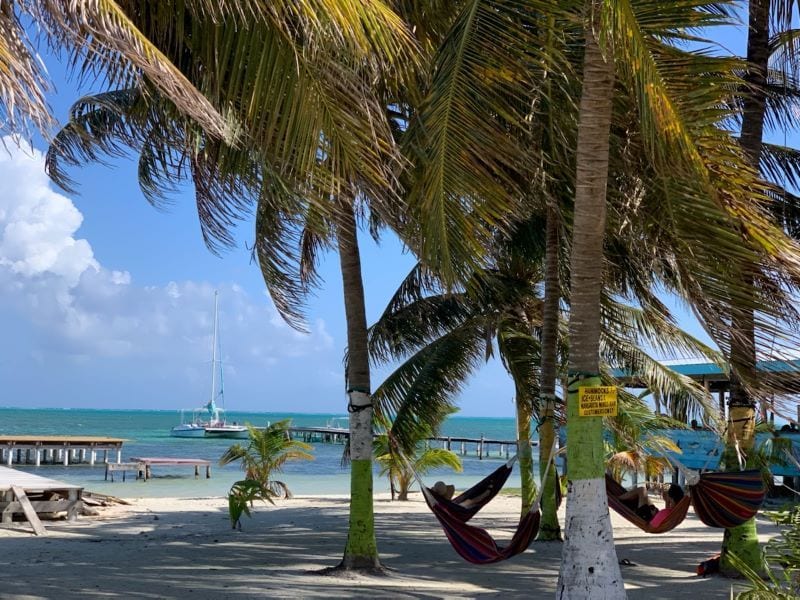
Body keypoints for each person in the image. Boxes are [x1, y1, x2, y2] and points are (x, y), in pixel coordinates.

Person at [618, 483, 684, 526]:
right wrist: (666, 501)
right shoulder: (677, 509)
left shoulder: (667, 512)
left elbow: (652, 524)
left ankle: (617, 498)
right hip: (652, 515)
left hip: (645, 518)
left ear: (671, 499)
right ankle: (627, 499)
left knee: (642, 489)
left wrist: (654, 515)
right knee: (643, 496)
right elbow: (666, 516)